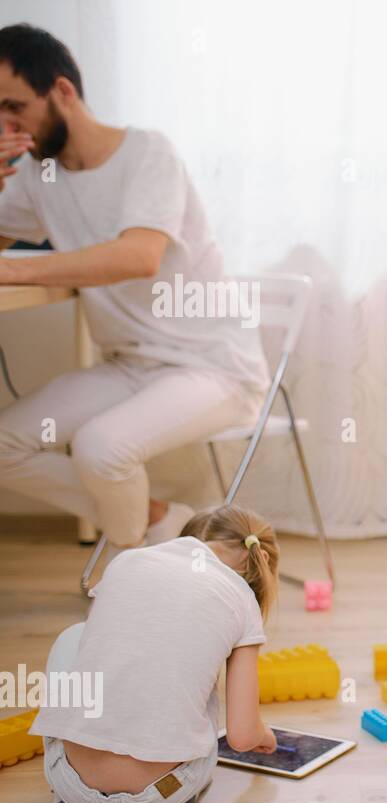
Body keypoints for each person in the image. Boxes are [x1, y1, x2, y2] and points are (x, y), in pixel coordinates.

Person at [0, 24, 267, 553]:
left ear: (63, 91)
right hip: (132, 365)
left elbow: (137, 255)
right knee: (5, 444)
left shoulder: (147, 153)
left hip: (213, 366)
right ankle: (157, 520)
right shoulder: (38, 174)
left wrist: (16, 270)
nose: (8, 126)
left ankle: (129, 573)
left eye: (14, 108)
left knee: (101, 448)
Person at [31, 505, 279, 803]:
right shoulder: (242, 599)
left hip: (73, 783)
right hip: (161, 793)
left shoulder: (125, 561)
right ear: (258, 560)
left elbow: (97, 655)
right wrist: (265, 735)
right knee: (204, 683)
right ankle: (185, 793)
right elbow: (242, 738)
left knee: (74, 637)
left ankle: (68, 799)